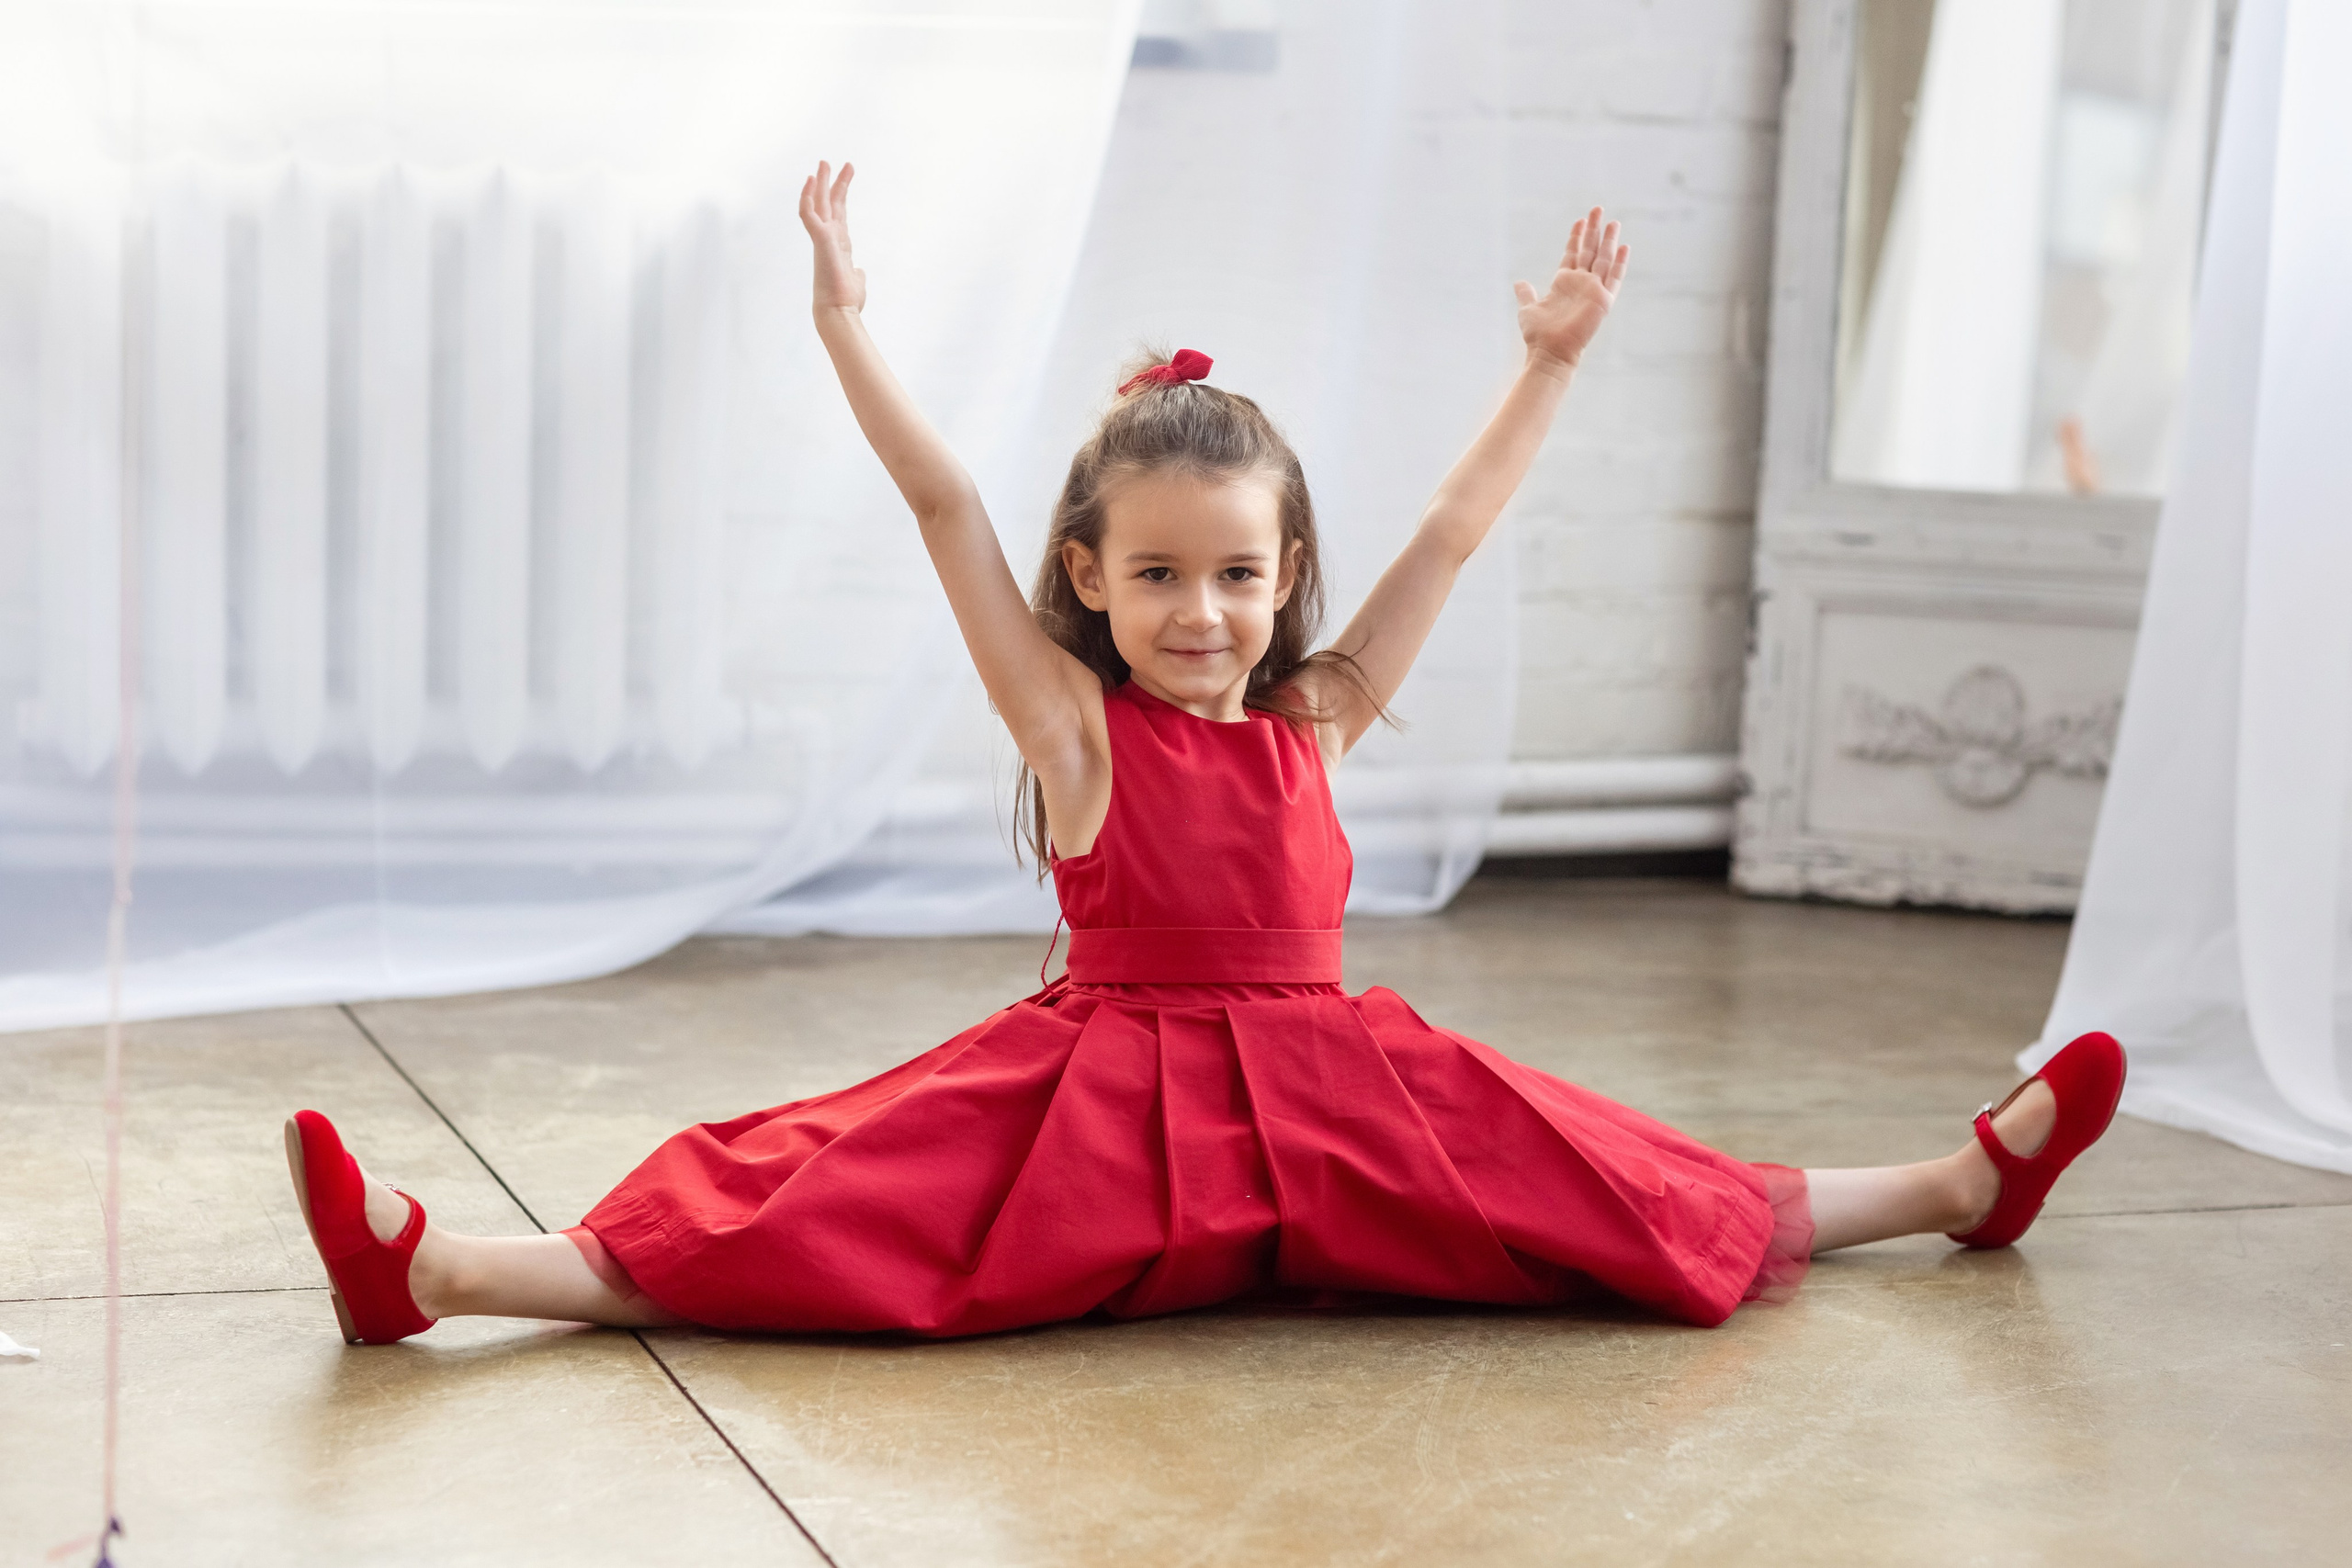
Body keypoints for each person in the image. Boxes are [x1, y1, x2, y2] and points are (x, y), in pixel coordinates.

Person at [283, 162, 2126, 1346]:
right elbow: (938, 505)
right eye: (1154, 574)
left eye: (1236, 574)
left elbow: (1451, 534)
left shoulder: (1312, 713)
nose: (1200, 611)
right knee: (815, 1194)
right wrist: (846, 322)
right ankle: (436, 1267)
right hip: (1095, 1105)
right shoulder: (1071, 724)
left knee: (1602, 1174)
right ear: (1087, 574)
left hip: (1338, 1108)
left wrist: (1551, 364)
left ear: (1281, 575)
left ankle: (1951, 1184)